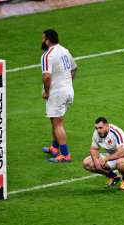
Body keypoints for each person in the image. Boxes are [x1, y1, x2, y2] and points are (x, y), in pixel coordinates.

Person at [40, 29, 77, 162]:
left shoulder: (47, 55)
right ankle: (54, 147)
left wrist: (47, 91)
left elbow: (46, 76)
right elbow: (74, 68)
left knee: (58, 124)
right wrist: (67, 84)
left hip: (57, 94)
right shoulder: (65, 50)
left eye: (43, 38)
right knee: (55, 120)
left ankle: (65, 154)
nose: (42, 41)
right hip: (68, 91)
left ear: (48, 40)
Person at [82, 117, 124, 191]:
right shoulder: (97, 133)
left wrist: (106, 159)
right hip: (112, 157)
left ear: (107, 126)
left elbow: (122, 152)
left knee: (121, 163)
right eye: (96, 128)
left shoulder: (116, 132)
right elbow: (94, 149)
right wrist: (96, 161)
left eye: (100, 128)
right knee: (87, 163)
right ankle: (114, 177)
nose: (98, 130)